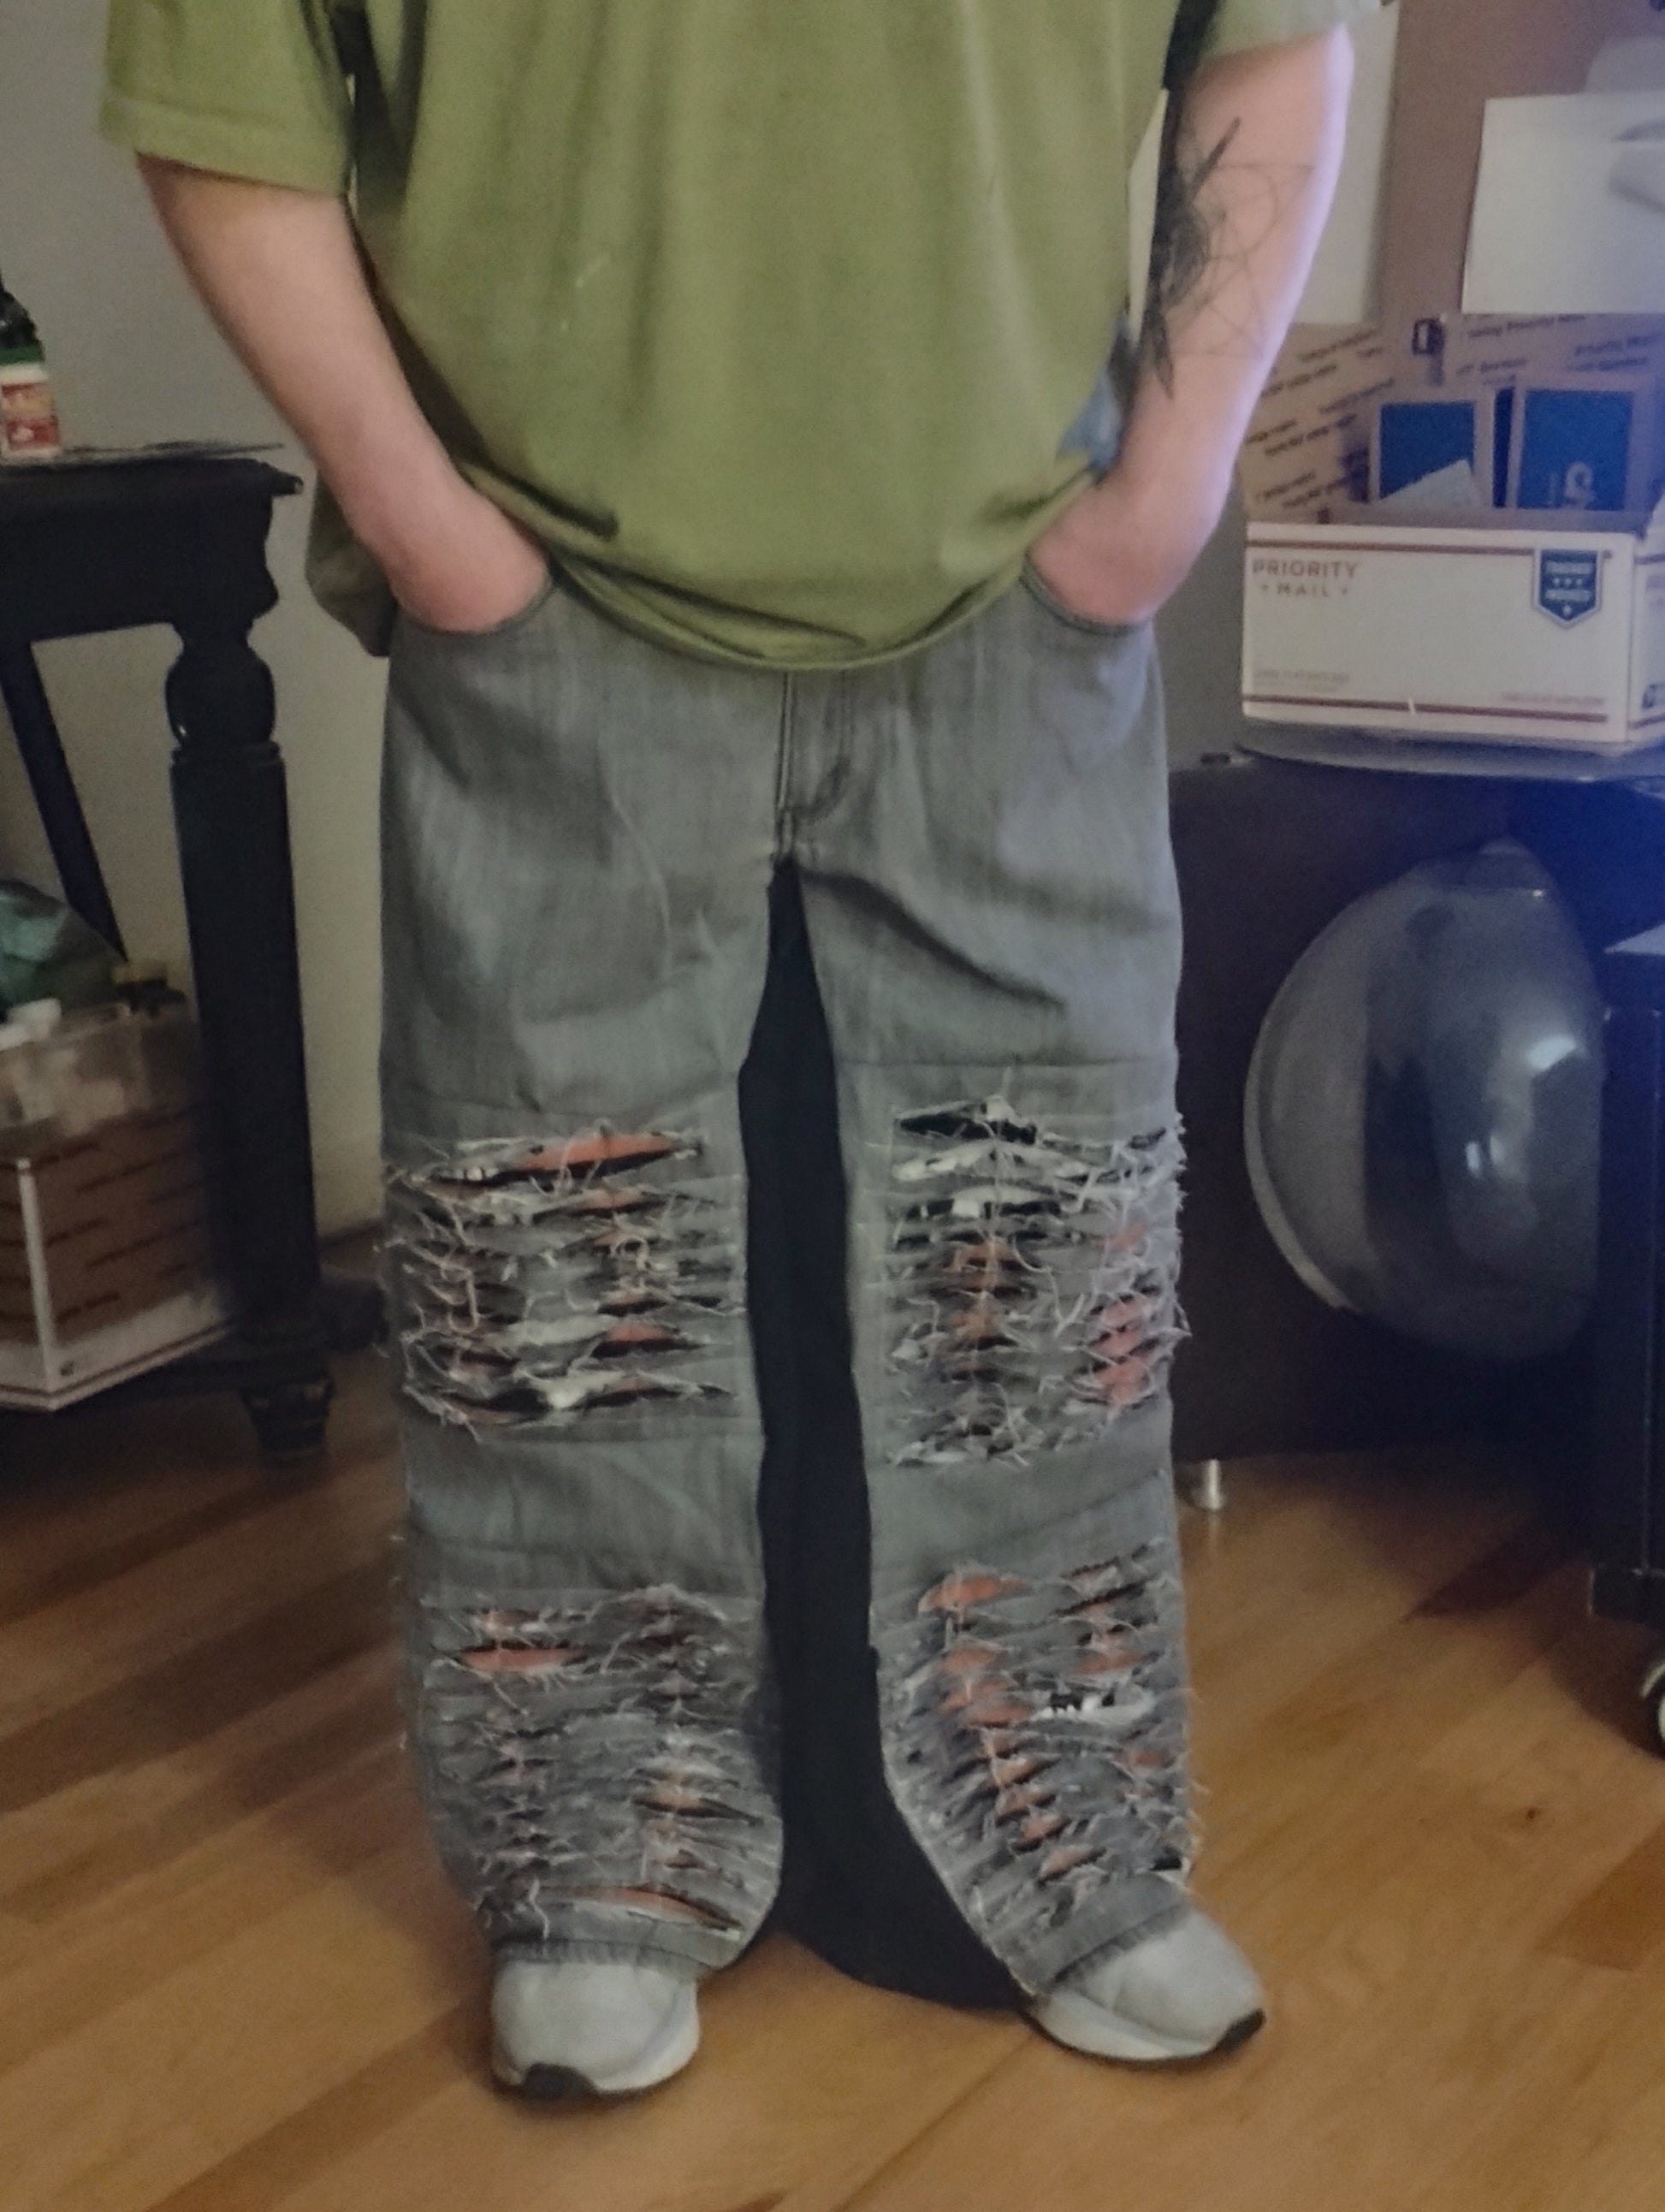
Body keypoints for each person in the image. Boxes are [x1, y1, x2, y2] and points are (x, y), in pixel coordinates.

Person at [104, 0, 1369, 2099]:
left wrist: (1171, 483)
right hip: (549, 597)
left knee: (1037, 1271)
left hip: (1017, 588)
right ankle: (598, 1872)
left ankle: (1061, 1851)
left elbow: (1271, 36)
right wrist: (423, 526)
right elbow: (226, 96)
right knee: (557, 1273)